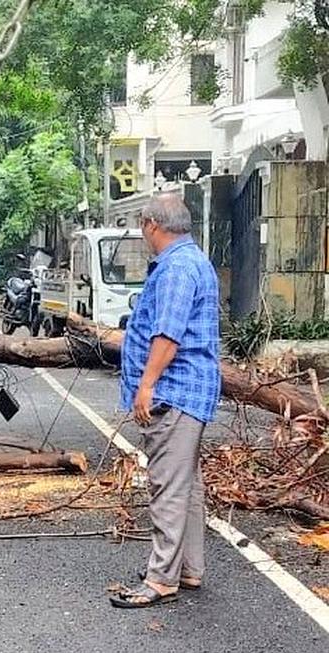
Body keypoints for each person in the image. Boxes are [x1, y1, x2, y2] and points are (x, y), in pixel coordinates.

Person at [112, 194, 220, 609]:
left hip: (174, 390)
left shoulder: (176, 267)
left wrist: (146, 385)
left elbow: (168, 334)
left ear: (151, 224)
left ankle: (160, 579)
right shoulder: (194, 259)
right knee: (187, 486)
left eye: (142, 227)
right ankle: (188, 569)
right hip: (190, 389)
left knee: (168, 487)